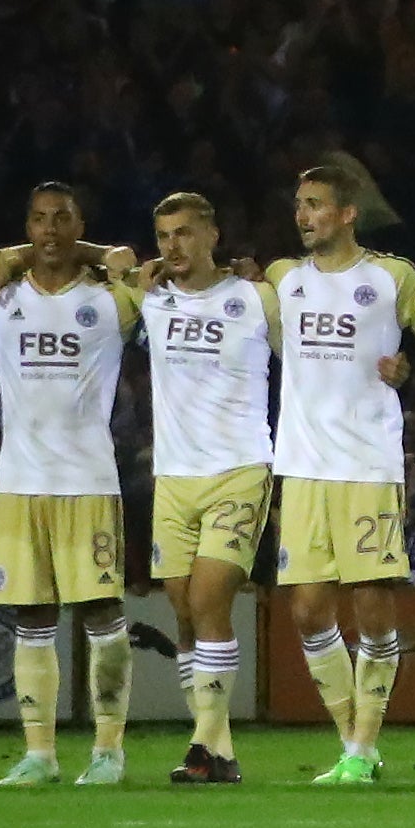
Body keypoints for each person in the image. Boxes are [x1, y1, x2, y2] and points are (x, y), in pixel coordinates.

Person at [0, 185, 144, 784]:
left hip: (89, 480)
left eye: (63, 220)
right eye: (38, 220)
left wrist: (98, 253)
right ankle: (41, 754)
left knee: (103, 613)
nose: (50, 230)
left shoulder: (111, 302)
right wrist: (12, 259)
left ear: (81, 225)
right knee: (31, 619)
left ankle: (108, 752)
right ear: (25, 227)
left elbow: (144, 271)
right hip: (20, 482)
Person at [267, 156, 415, 784]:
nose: (303, 216)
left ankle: (362, 748)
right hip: (303, 467)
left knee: (371, 608)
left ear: (346, 213)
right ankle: (352, 740)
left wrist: (410, 368)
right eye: (299, 205)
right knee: (309, 610)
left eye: (315, 205)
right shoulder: (281, 281)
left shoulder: (392, 277)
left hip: (367, 464)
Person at [135, 191, 275, 783]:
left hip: (240, 468)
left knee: (208, 600)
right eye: (165, 235)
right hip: (173, 477)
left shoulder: (256, 297)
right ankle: (218, 753)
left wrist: (387, 367)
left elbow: (321, 349)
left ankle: (198, 745)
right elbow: (74, 256)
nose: (174, 246)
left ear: (213, 235)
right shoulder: (150, 298)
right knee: (184, 611)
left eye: (186, 233)